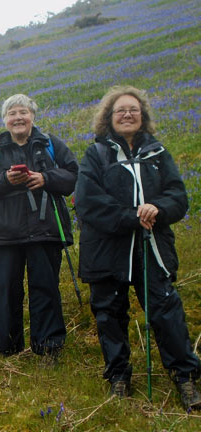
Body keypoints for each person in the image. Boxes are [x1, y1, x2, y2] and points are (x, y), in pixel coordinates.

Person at [74, 85, 201, 409]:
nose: (128, 114)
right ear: (109, 118)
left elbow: (178, 196)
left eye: (133, 109)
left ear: (142, 116)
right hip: (106, 251)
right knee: (109, 315)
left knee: (166, 312)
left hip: (153, 248)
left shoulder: (157, 154)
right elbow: (88, 202)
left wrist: (157, 208)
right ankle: (119, 377)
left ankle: (185, 378)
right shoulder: (96, 154)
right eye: (121, 110)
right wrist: (131, 216)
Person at [0, 94, 78, 364]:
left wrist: (45, 178)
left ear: (32, 117)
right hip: (5, 234)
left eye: (23, 112)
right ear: (5, 120)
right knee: (4, 290)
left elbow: (74, 176)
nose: (18, 118)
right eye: (12, 113)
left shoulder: (50, 144)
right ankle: (5, 348)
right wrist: (6, 179)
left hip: (44, 230)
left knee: (45, 288)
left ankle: (49, 347)